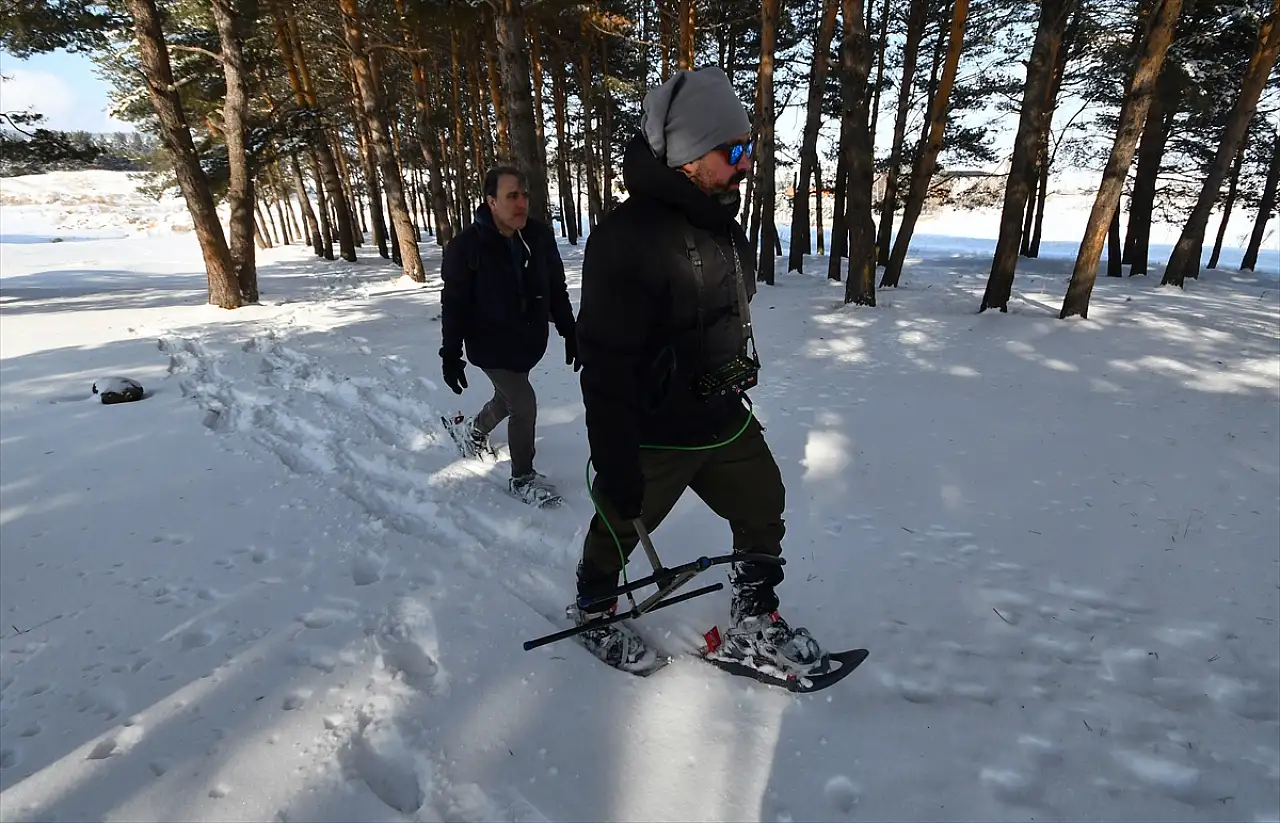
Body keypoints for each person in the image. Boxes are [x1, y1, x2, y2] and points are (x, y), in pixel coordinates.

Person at [568, 67, 824, 675]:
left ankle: (754, 617)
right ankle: (594, 605)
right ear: (686, 156)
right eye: (732, 150)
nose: (745, 162)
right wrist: (615, 456)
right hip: (656, 429)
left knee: (764, 505)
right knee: (617, 525)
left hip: (722, 414)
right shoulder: (624, 240)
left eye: (750, 148)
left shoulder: (723, 225)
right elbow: (604, 363)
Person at [439, 165, 578, 507]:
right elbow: (454, 303)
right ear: (491, 202)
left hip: (527, 343)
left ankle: (471, 431)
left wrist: (569, 330)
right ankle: (522, 478)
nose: (521, 204)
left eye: (524, 195)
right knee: (523, 404)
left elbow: (556, 288)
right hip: (489, 346)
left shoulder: (539, 237)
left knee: (508, 399)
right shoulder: (465, 247)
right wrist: (450, 352)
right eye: (511, 196)